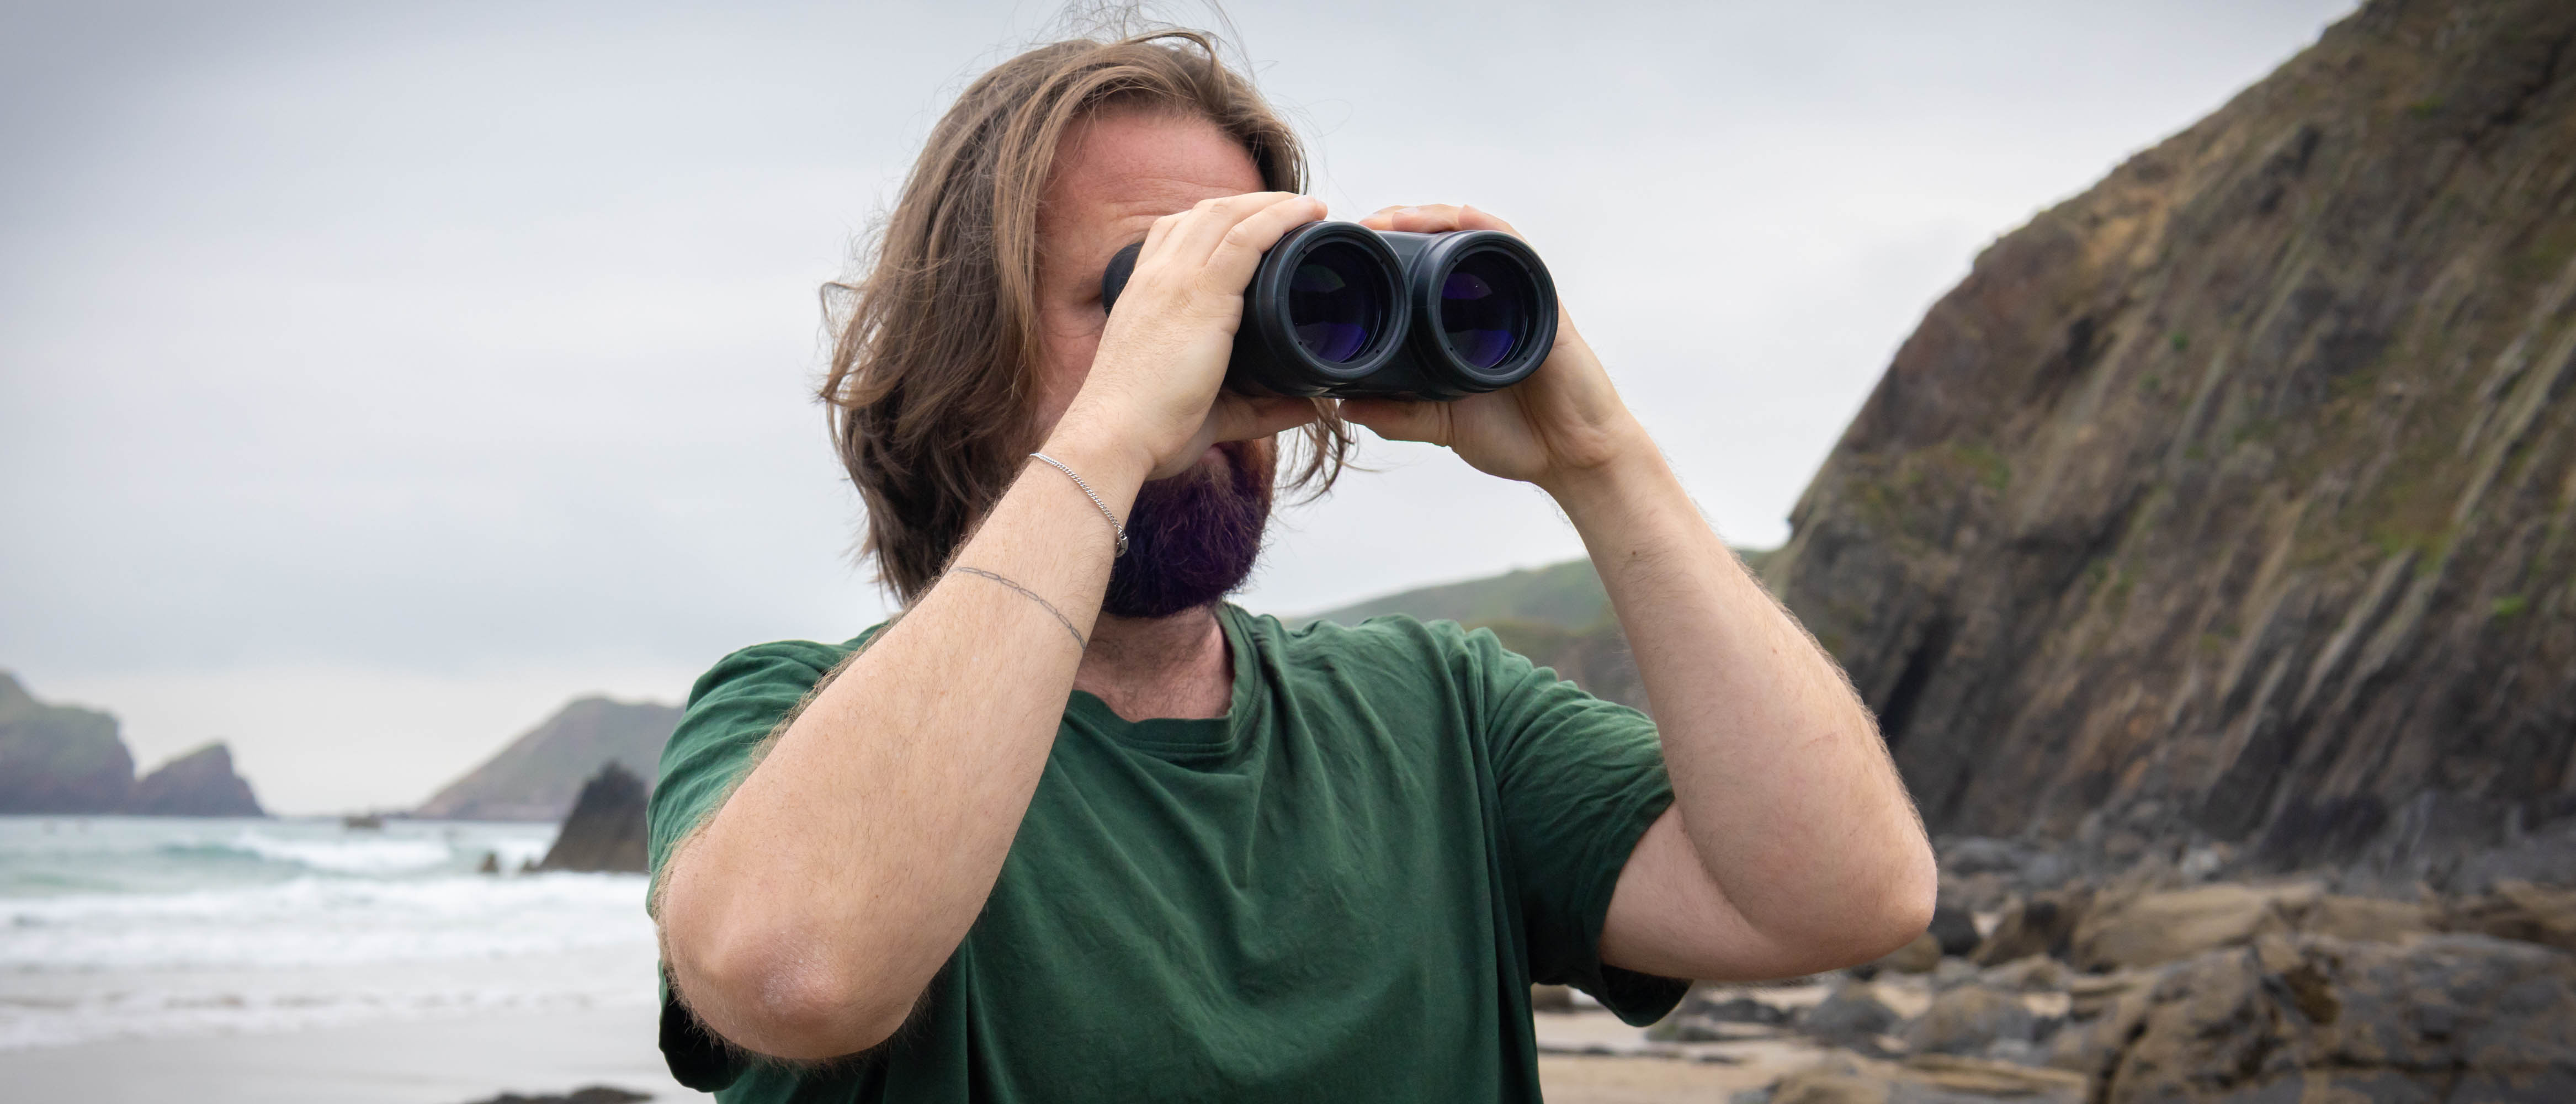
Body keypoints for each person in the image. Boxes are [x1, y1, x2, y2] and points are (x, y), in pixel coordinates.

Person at [645, 27, 1935, 1102]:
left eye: (1246, 293)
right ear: (966, 346)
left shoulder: (1442, 718)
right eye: (1146, 297)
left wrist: (1598, 457)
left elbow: (1845, 897)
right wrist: (1115, 434)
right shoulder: (783, 724)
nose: (1205, 358)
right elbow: (798, 974)